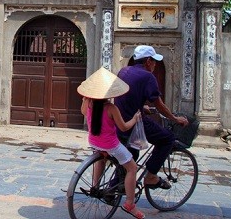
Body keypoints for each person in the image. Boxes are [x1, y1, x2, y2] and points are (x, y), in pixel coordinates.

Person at [114, 45, 189, 190]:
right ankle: (151, 176)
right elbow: (159, 105)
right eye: (154, 61)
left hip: (119, 121)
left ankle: (113, 189)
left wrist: (142, 107)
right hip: (135, 122)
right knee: (167, 139)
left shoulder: (123, 71)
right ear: (148, 61)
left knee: (130, 156)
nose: (155, 64)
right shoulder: (148, 77)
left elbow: (127, 98)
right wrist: (175, 118)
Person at [78, 67, 145, 219]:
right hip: (111, 145)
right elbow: (124, 127)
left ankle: (95, 186)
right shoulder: (111, 108)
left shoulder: (88, 103)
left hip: (94, 142)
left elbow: (83, 113)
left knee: (100, 159)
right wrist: (135, 119)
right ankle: (129, 203)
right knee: (132, 168)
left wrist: (85, 98)